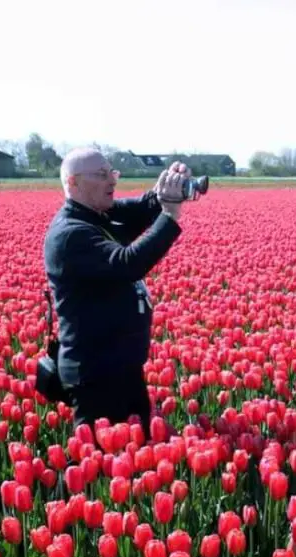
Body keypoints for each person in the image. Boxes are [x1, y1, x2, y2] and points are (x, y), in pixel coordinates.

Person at [42, 147, 191, 437]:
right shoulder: (71, 233)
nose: (112, 181)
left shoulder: (98, 215)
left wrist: (167, 188)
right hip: (96, 374)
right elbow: (127, 264)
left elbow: (142, 209)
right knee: (101, 465)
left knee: (135, 460)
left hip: (120, 366)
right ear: (73, 183)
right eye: (101, 175)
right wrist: (170, 214)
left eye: (112, 173)